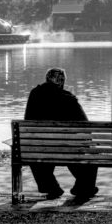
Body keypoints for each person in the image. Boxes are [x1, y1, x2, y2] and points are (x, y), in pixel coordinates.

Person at [23, 66, 98, 201]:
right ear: (62, 82)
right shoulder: (69, 99)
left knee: (36, 152)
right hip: (67, 148)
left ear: (47, 79)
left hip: (40, 148)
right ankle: (84, 187)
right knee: (87, 152)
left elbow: (27, 120)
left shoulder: (34, 94)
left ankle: (51, 187)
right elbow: (85, 126)